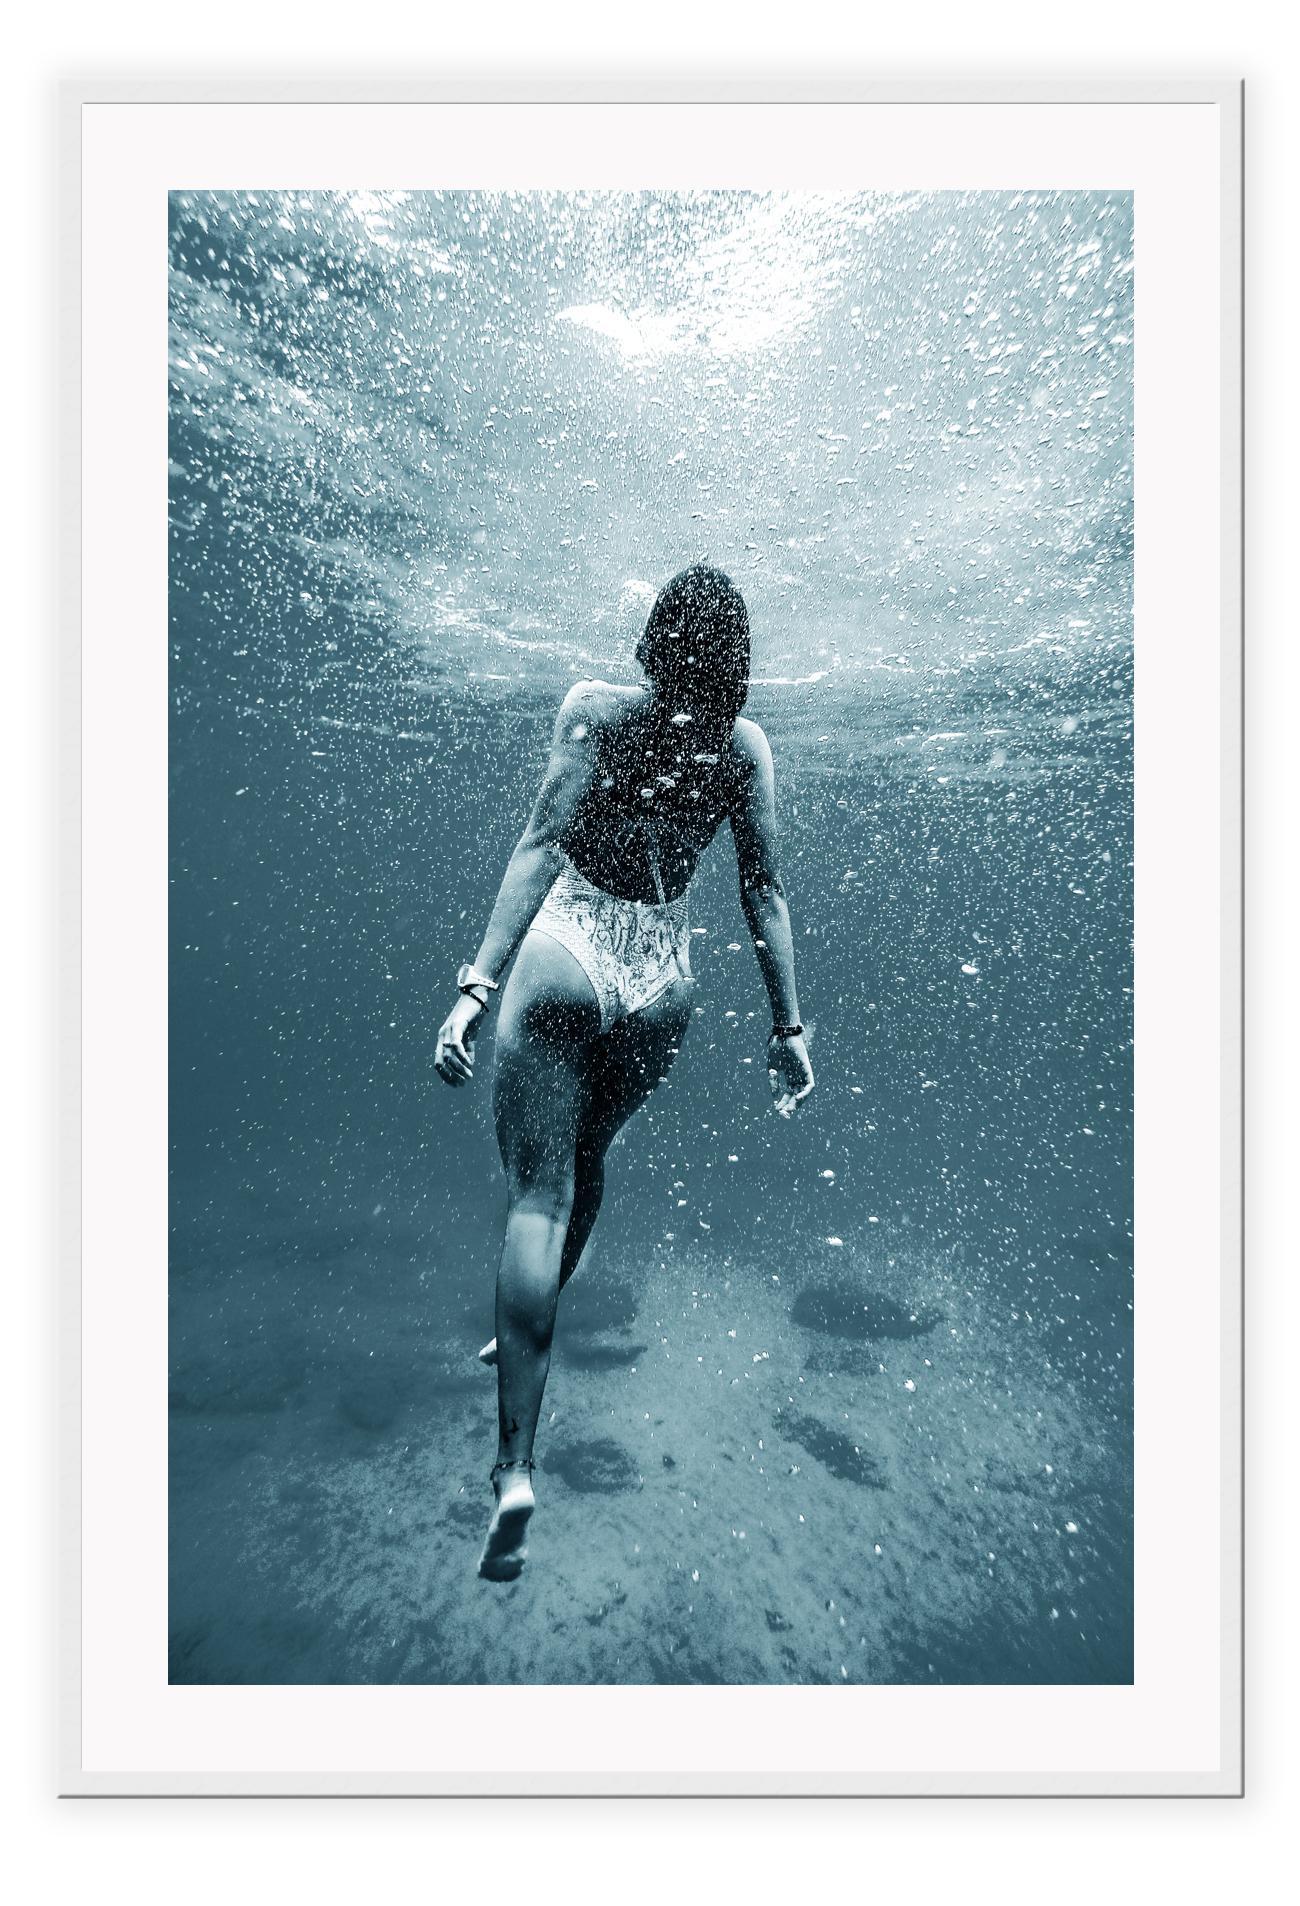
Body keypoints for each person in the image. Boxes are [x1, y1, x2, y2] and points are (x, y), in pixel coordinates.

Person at [434, 564, 814, 1581]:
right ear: (737, 660)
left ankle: (513, 1464)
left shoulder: (594, 713)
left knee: (533, 1198)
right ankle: (539, 1314)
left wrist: (477, 985)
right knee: (590, 1153)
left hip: (568, 954)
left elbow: (538, 846)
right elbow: (763, 893)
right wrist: (787, 1027)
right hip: (662, 980)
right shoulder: (742, 749)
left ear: (652, 636)